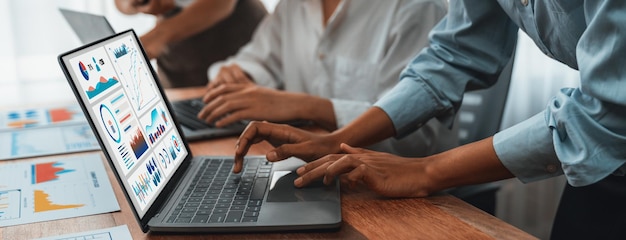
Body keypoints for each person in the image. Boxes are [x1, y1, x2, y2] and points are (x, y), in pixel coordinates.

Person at [232, 1, 626, 239]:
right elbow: (455, 53)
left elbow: (607, 111)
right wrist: (341, 138)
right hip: (609, 164)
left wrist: (426, 172)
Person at [198, 0, 453, 159]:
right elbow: (256, 59)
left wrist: (305, 106)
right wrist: (239, 74)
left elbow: (416, 141)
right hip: (314, 170)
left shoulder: (417, 7)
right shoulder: (292, 7)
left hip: (402, 193)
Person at [114, 0, 267, 88]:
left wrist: (157, 36)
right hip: (180, 65)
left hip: (236, 38)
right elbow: (122, 5)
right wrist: (134, 3)